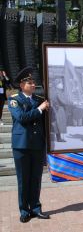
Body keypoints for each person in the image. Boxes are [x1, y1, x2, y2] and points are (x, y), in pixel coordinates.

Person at [8, 67, 50, 223]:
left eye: (34, 83)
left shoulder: (39, 99)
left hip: (37, 144)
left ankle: (36, 208)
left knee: (36, 178)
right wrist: (40, 109)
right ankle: (24, 210)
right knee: (23, 179)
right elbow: (22, 118)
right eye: (30, 83)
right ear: (22, 85)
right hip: (21, 145)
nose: (33, 85)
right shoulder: (14, 99)